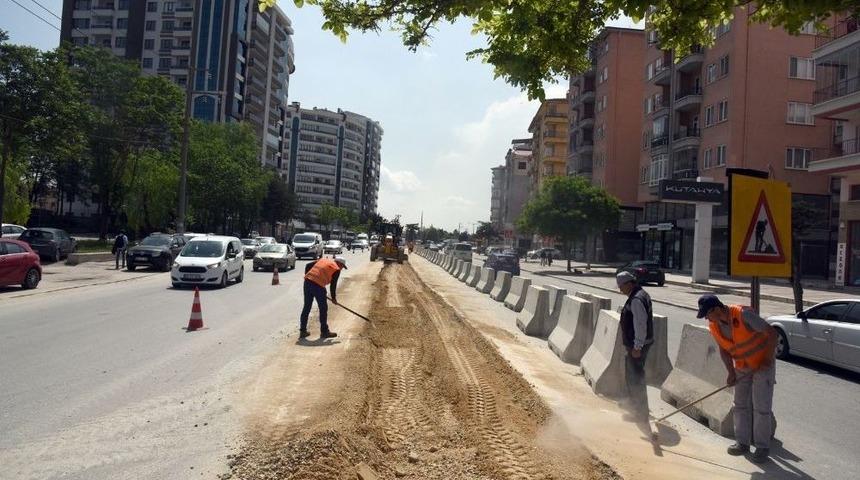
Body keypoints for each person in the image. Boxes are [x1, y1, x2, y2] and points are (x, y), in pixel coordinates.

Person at [697, 294, 778, 463]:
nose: (706, 318)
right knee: (739, 405)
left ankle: (762, 447)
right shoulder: (714, 325)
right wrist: (730, 372)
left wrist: (767, 359)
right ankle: (742, 443)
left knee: (761, 407)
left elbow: (772, 333)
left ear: (717, 309)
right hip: (742, 366)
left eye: (707, 314)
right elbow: (724, 350)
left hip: (763, 365)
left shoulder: (743, 315)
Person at [616, 271, 654, 420]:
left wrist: (637, 346)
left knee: (635, 378)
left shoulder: (637, 299)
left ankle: (640, 413)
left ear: (629, 284)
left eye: (621, 286)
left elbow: (640, 324)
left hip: (638, 346)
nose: (620, 290)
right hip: (640, 343)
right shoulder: (641, 294)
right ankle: (637, 407)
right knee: (634, 375)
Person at [299, 255, 348, 339]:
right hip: (318, 286)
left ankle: (302, 331)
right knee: (323, 308)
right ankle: (324, 332)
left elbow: (307, 265)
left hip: (308, 282)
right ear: (339, 264)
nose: (341, 269)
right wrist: (333, 298)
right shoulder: (336, 268)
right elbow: (333, 285)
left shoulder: (323, 260)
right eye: (342, 267)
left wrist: (309, 277)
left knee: (307, 307)